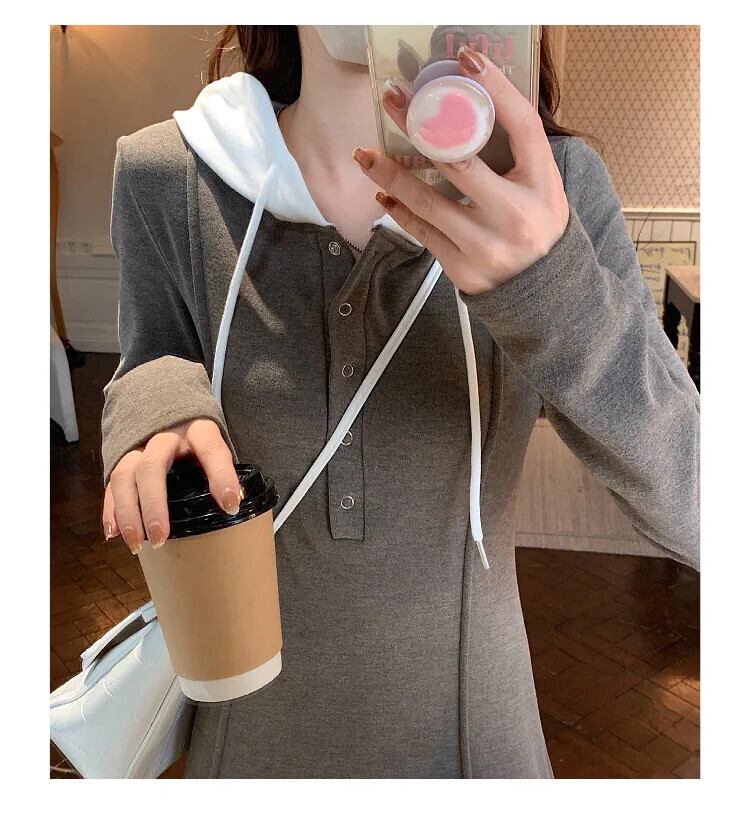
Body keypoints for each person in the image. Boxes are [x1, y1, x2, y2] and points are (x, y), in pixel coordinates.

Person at [100, 25, 699, 778]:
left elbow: (700, 508)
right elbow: (153, 354)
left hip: (479, 747)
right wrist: (156, 406)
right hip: (248, 744)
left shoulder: (553, 188)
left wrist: (552, 291)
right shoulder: (168, 174)